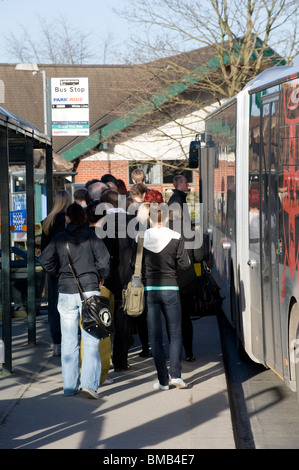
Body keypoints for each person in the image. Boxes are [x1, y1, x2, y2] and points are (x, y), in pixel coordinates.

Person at [39, 203, 110, 399]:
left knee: (69, 341)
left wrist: (58, 274)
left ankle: (70, 386)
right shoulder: (93, 236)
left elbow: (45, 261)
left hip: (66, 290)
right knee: (91, 340)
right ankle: (90, 384)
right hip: (90, 290)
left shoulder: (59, 238)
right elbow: (104, 262)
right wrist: (101, 276)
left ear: (68, 219)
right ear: (84, 218)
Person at [136, 190, 190, 390]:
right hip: (171, 288)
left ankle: (162, 380)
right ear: (167, 217)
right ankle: (176, 375)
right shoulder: (176, 236)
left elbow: (136, 266)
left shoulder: (141, 238)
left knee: (155, 337)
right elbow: (184, 265)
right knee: (175, 333)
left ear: (149, 219)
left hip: (150, 290)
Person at [99, 189, 136, 371]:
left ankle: (103, 363)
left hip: (104, 280)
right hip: (126, 278)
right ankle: (121, 361)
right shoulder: (132, 222)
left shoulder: (101, 223)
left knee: (103, 322)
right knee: (123, 323)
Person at [41, 189, 72, 357]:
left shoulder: (48, 221)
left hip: (53, 271)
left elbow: (44, 251)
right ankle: (68, 340)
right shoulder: (67, 221)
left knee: (55, 307)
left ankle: (57, 343)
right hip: (67, 270)